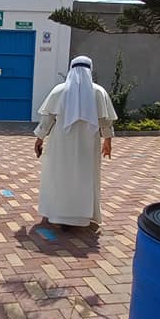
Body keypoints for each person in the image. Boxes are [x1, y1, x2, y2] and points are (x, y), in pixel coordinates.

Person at [34, 55, 117, 228]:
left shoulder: (59, 91)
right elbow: (105, 121)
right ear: (90, 69)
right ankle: (81, 214)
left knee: (60, 175)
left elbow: (47, 119)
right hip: (88, 144)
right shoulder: (98, 92)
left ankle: (58, 213)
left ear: (71, 69)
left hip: (61, 143)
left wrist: (39, 139)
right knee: (84, 176)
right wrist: (107, 141)